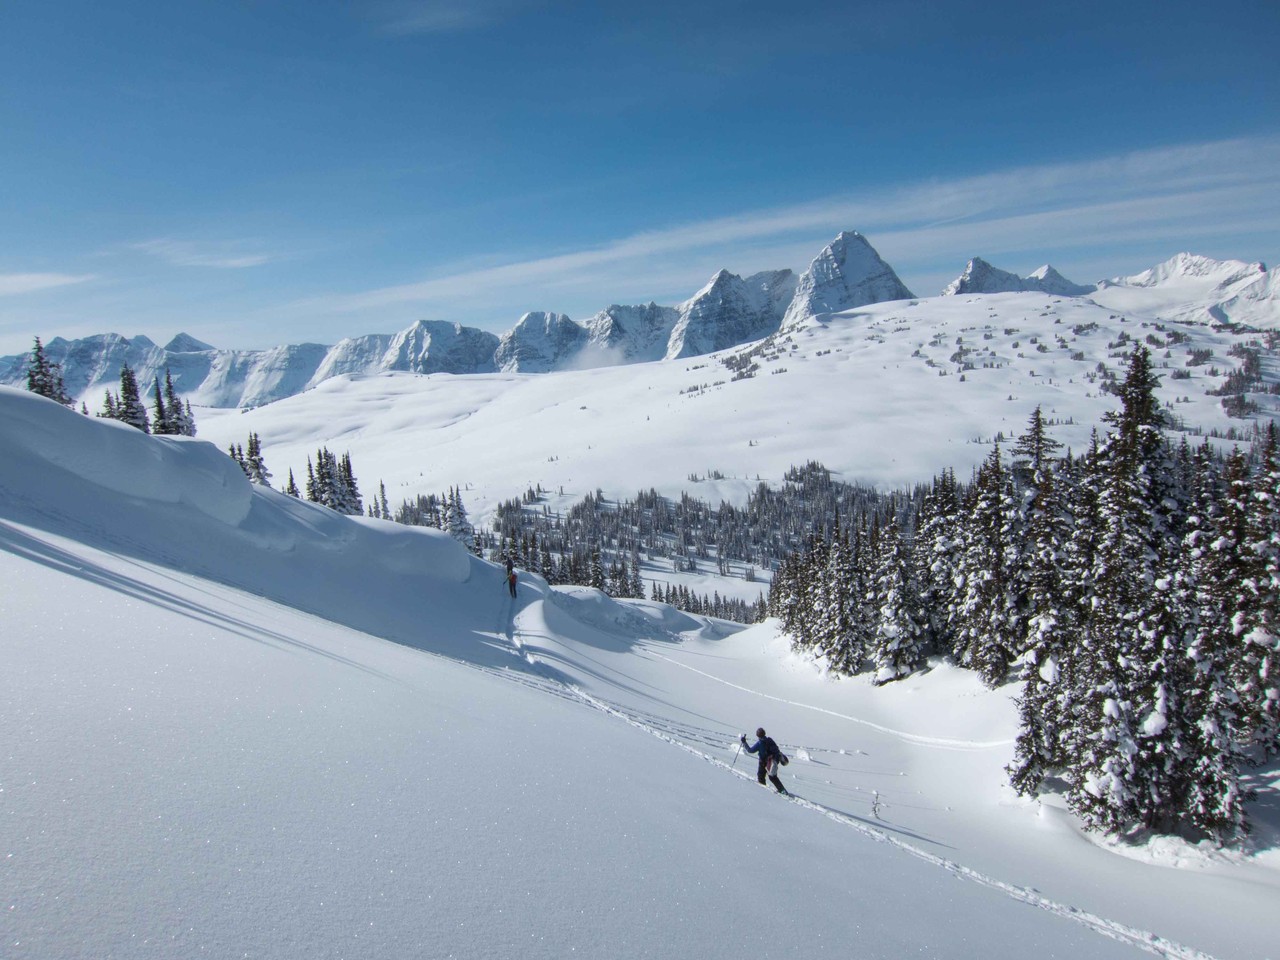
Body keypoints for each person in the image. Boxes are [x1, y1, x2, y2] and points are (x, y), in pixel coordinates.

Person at [741, 727, 787, 794]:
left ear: (758, 735)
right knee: (773, 777)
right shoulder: (770, 740)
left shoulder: (760, 743)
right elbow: (776, 749)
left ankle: (762, 792)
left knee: (761, 777)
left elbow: (750, 750)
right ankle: (782, 790)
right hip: (773, 762)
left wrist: (744, 742)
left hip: (763, 763)